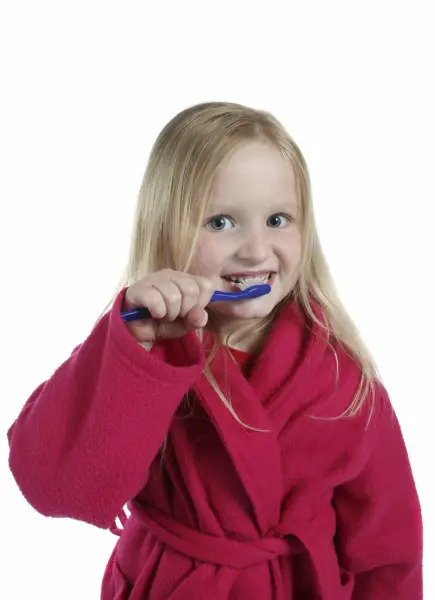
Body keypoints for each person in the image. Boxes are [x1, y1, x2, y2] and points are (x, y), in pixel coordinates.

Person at [7, 101, 423, 599]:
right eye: (221, 222)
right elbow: (57, 486)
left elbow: (388, 552)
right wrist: (132, 355)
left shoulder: (345, 378)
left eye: (278, 219)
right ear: (166, 226)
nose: (255, 249)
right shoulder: (138, 355)